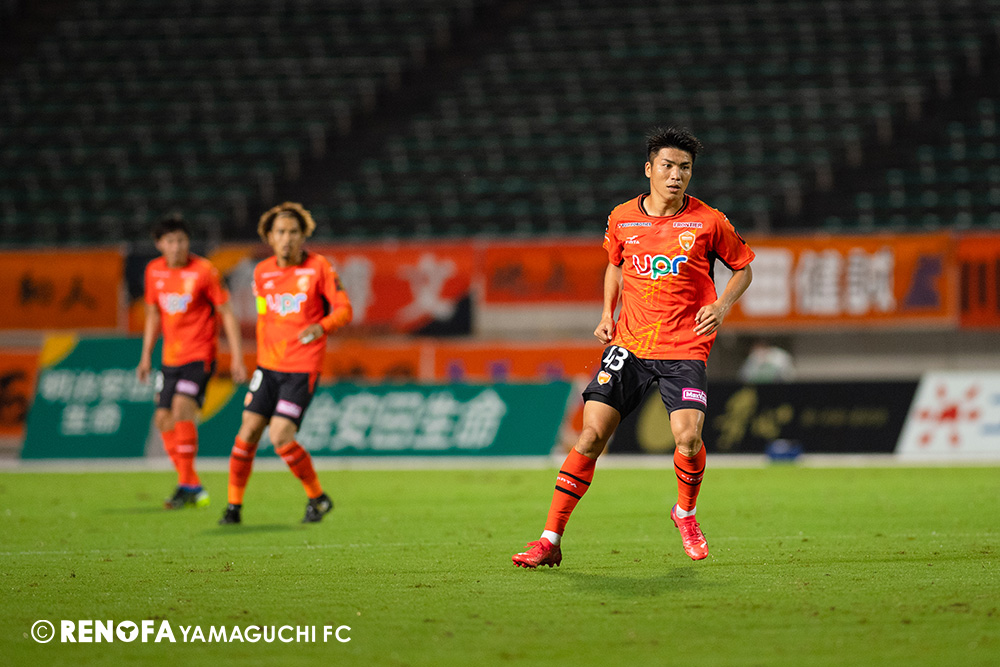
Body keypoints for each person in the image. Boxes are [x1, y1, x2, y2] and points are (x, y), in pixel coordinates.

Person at [512, 127, 755, 567]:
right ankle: (549, 541)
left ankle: (685, 514)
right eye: (668, 165)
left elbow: (743, 268)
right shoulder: (623, 217)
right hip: (630, 344)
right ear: (649, 169)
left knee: (688, 437)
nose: (676, 175)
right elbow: (615, 265)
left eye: (685, 168)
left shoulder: (709, 221)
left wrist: (721, 306)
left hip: (684, 346)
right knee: (590, 436)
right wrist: (607, 313)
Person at [219, 202, 352, 525]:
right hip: (268, 367)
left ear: (303, 235)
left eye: (294, 232)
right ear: (269, 236)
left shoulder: (319, 267)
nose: (287, 238)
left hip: (301, 368)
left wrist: (321, 326)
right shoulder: (262, 271)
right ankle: (233, 507)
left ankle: (316, 496)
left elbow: (344, 309)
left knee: (280, 436)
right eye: (280, 232)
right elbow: (265, 317)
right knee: (247, 432)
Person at [137, 214, 247, 509]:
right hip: (169, 358)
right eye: (170, 241)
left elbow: (226, 313)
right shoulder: (154, 271)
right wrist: (146, 355)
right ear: (159, 244)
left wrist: (237, 357)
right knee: (163, 419)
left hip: (199, 355)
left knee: (181, 408)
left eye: (182, 240)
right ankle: (191, 485)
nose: (177, 246)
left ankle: (187, 486)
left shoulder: (204, 271)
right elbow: (153, 314)